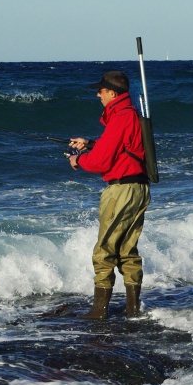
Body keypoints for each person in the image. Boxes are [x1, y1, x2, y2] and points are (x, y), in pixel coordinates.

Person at [68, 70, 150, 320]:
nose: (98, 94)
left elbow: (102, 162)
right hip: (138, 188)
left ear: (112, 93)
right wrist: (90, 144)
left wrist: (78, 161)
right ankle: (132, 310)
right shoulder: (129, 115)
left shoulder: (121, 117)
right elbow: (121, 148)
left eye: (101, 90)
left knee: (104, 251)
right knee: (128, 251)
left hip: (121, 190)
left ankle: (99, 312)